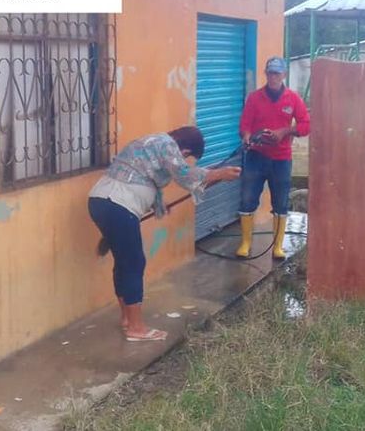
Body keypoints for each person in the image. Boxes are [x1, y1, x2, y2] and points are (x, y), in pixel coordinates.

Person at [88, 127, 240, 341]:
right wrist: (219, 174)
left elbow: (143, 175)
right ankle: (136, 328)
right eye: (185, 158)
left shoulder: (151, 142)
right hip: (118, 204)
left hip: (101, 201)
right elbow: (184, 175)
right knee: (133, 264)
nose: (182, 160)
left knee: (124, 263)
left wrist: (158, 203)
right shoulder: (167, 144)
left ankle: (127, 319)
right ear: (185, 150)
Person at [235, 56, 310, 259]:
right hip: (256, 157)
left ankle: (277, 246)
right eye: (270, 73)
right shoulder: (254, 98)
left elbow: (306, 125)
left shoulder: (293, 99)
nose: (273, 77)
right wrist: (247, 136)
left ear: (284, 74)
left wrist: (284, 131)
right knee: (247, 199)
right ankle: (245, 243)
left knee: (281, 201)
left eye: (277, 73)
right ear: (266, 74)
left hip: (281, 159)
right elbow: (244, 125)